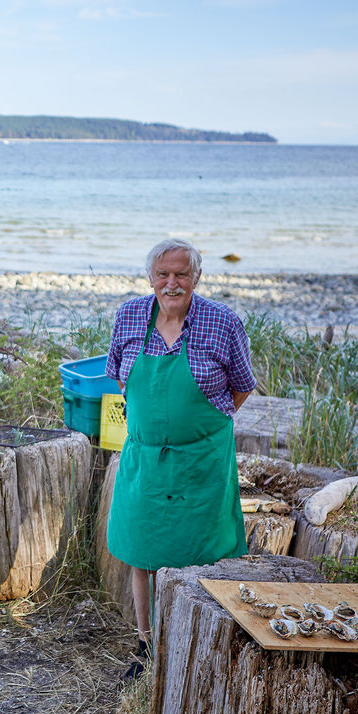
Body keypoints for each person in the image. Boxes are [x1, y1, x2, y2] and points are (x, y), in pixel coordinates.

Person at [105, 238, 256, 679]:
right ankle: (146, 643)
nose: (172, 283)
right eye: (163, 274)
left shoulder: (223, 322)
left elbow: (243, 386)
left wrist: (199, 428)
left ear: (197, 278)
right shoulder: (130, 316)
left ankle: (199, 643)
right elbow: (118, 374)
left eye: (181, 274)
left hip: (202, 461)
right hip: (146, 458)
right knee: (141, 549)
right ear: (151, 278)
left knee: (204, 549)